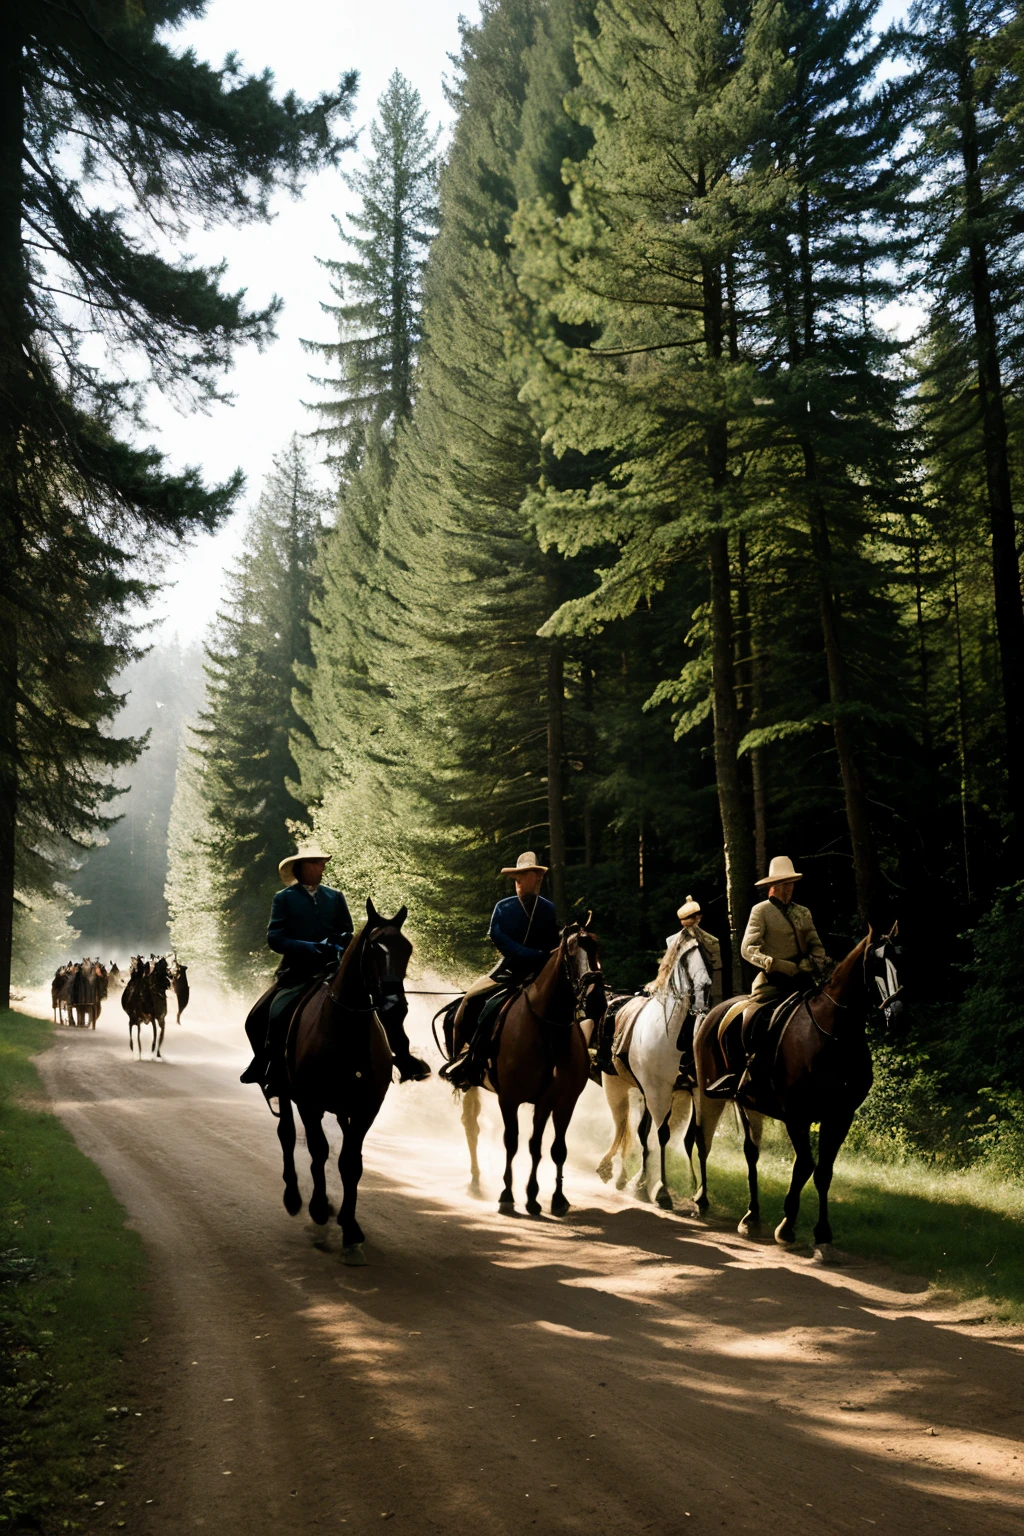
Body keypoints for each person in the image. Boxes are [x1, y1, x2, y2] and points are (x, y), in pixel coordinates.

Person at [240, 843, 430, 1088]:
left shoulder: (335, 896)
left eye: (322, 863)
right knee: (263, 1015)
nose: (322, 868)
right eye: (317, 863)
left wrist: (336, 943)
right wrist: (310, 946)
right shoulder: (284, 899)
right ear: (303, 868)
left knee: (386, 1004)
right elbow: (274, 938)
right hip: (297, 971)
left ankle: (402, 1058)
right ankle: (267, 1063)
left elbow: (347, 931)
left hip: (334, 967)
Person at [440, 851, 560, 1088]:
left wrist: (547, 955)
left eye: (524, 875)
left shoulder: (548, 909)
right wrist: (530, 954)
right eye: (517, 876)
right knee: (471, 1002)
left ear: (536, 878)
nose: (519, 881)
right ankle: (465, 1061)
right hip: (508, 971)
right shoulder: (503, 907)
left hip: (541, 973)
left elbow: (551, 939)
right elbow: (497, 936)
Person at [740, 855, 829, 1007]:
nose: (789, 888)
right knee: (764, 1015)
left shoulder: (803, 912)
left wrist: (815, 966)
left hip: (803, 976)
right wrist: (772, 963)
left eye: (791, 883)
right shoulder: (761, 910)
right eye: (785, 884)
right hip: (774, 978)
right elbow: (747, 949)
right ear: (773, 886)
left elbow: (816, 945)